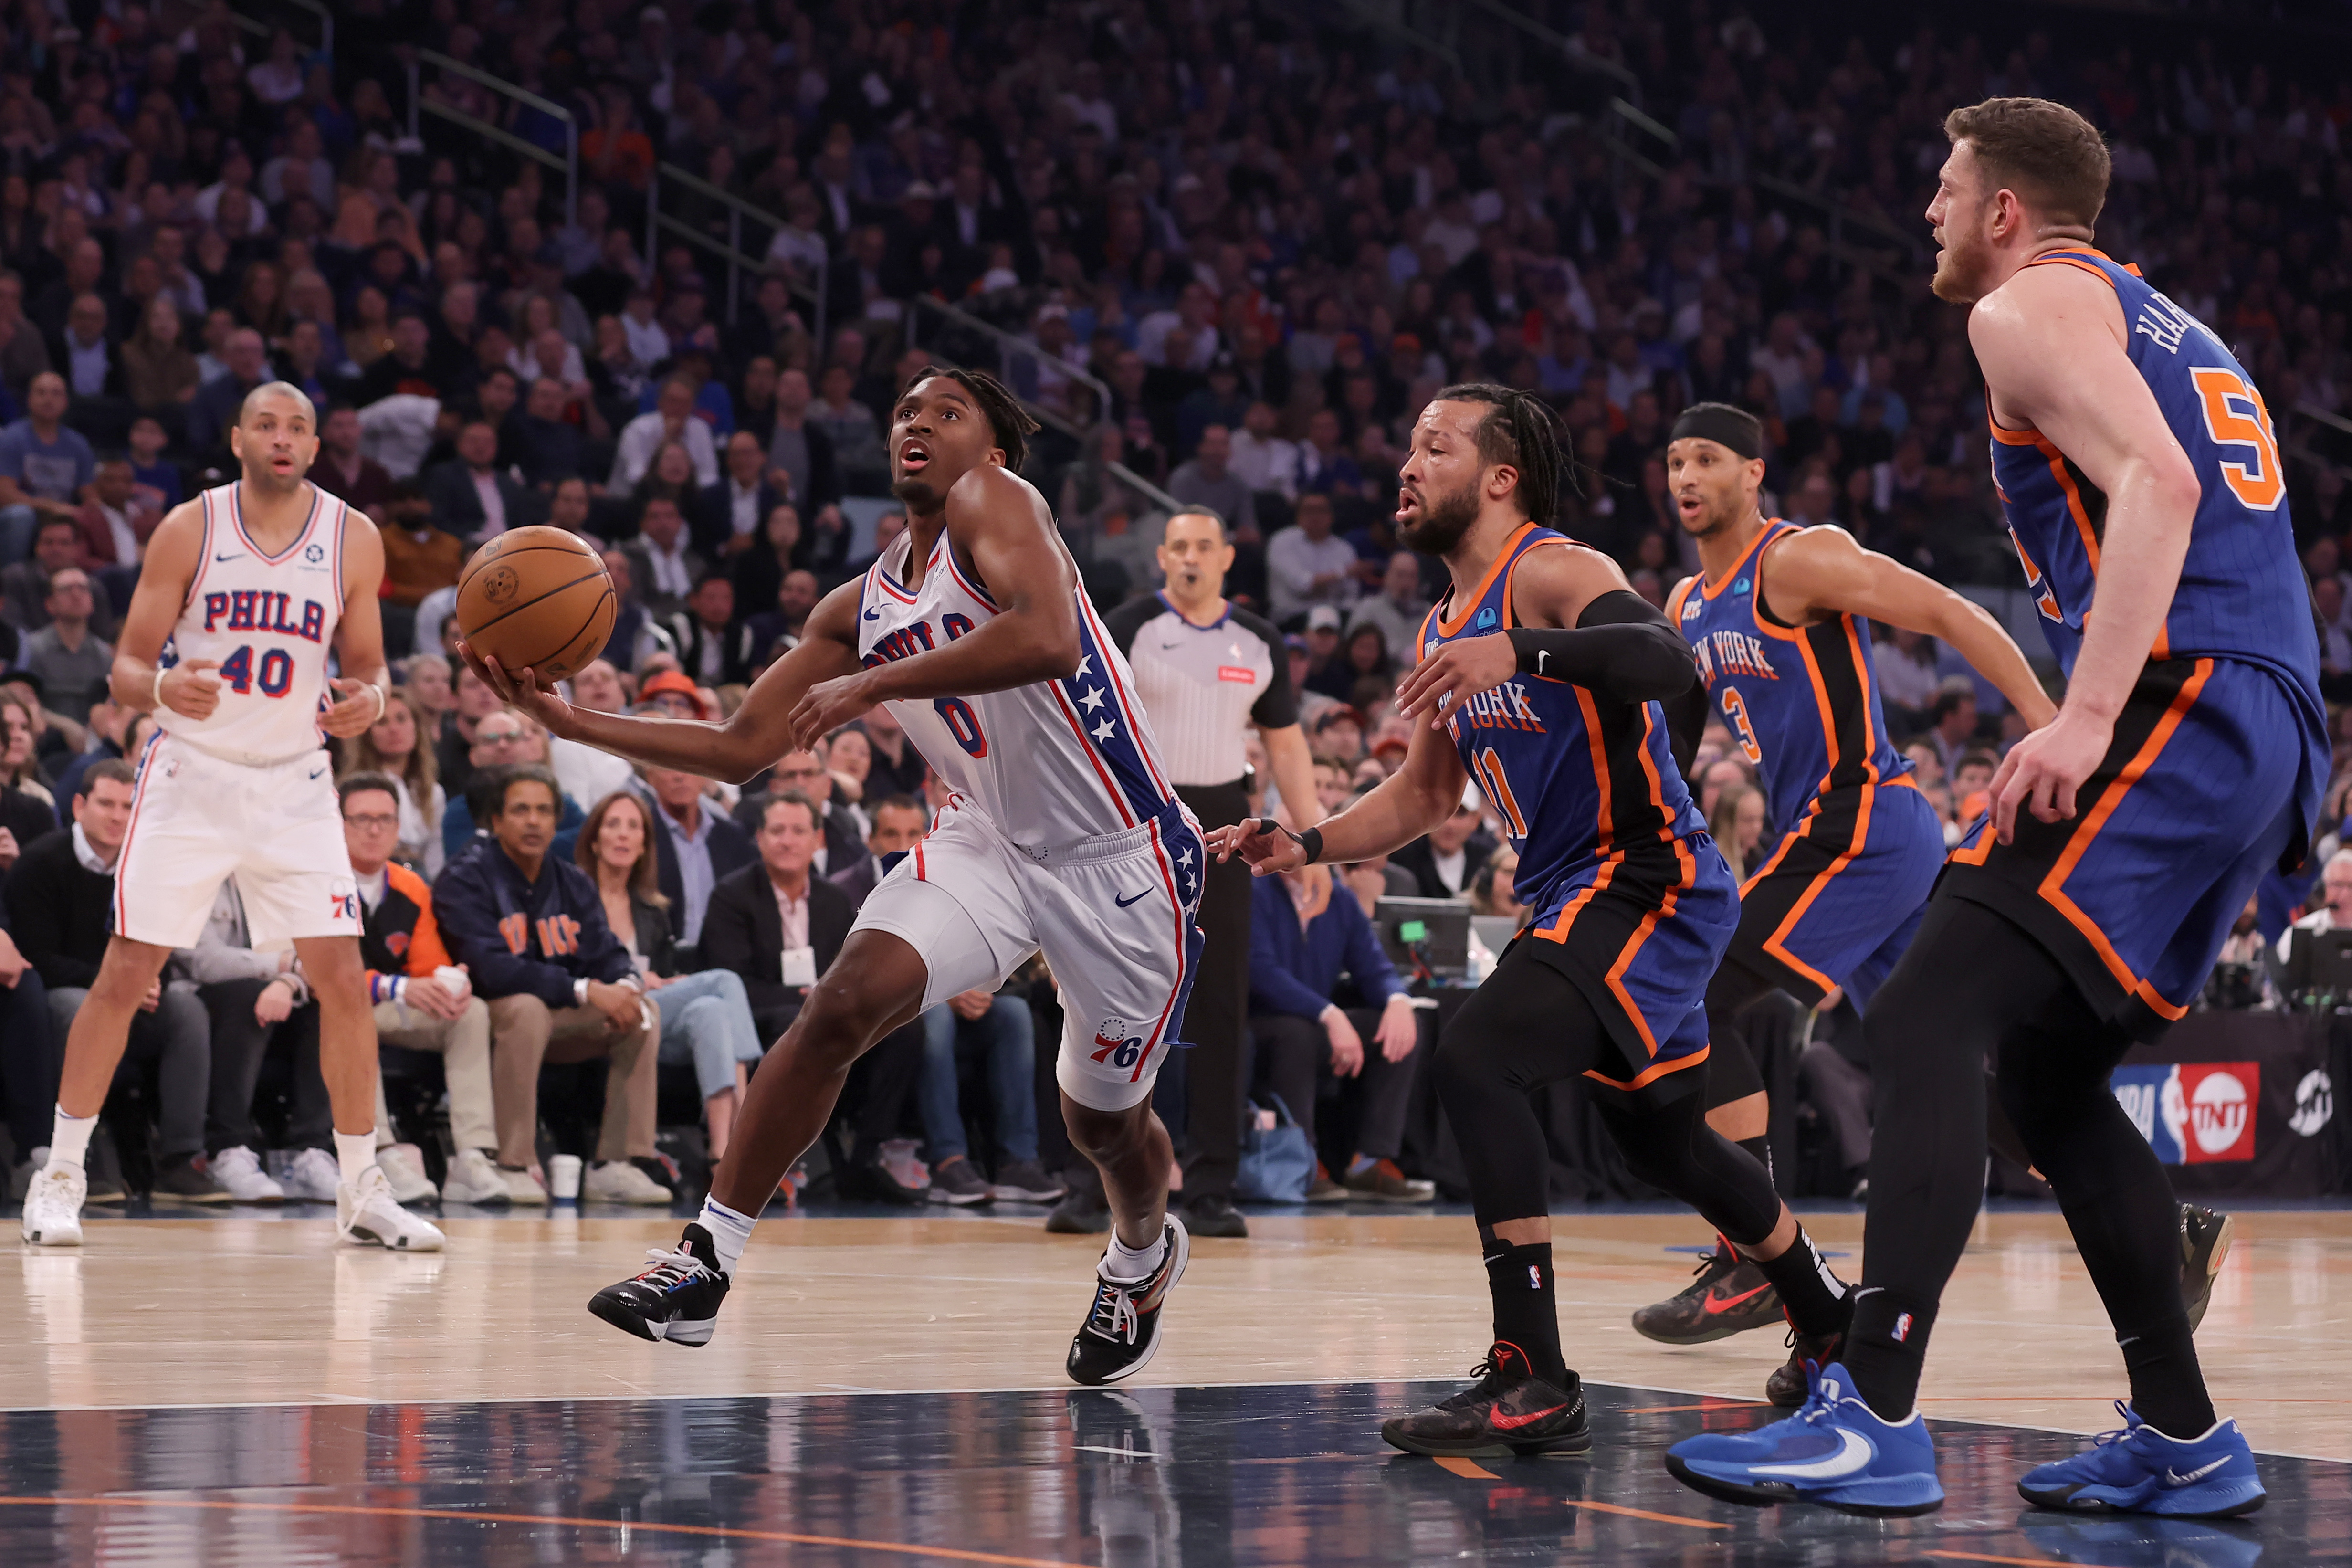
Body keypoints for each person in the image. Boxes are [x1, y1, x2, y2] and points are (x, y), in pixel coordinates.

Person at [1664, 96, 2320, 1522]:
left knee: (1921, 1015)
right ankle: (2184, 1437)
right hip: (2263, 718)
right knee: (2045, 1074)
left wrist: (2081, 716)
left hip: (2180, 695)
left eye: (1946, 190)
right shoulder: (2159, 319)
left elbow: (2155, 481)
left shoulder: (2021, 307)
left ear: (2007, 210)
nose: (1929, 215)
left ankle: (1871, 1410)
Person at [471, 366, 1207, 1385]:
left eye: (947, 412)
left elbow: (1044, 636)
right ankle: (705, 1260)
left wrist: (875, 680)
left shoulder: (1000, 503)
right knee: (840, 1005)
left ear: (989, 451)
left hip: (1119, 856)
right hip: (987, 841)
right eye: (905, 410)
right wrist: (569, 721)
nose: (918, 423)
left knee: (1102, 1121)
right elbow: (737, 748)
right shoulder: (858, 604)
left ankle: (1139, 1256)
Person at [1211, 385, 1851, 1458]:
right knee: (1664, 1140)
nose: (1406, 464)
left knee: (1476, 1054)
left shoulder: (1552, 572)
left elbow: (1662, 661)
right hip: (1576, 893)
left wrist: (1525, 651)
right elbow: (1424, 799)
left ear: (1498, 477)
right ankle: (1831, 1315)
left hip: (1646, 877)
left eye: (1434, 446)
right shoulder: (1439, 624)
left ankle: (1533, 1370)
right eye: (1407, 444)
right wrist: (1308, 840)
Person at [1638, 399, 2058, 1375]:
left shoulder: (1797, 559)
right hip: (1840, 845)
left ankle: (1750, 1251)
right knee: (1947, 1058)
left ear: (1752, 471)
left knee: (1695, 994)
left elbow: (1950, 610)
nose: (1686, 477)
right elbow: (1667, 743)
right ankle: (2159, 1232)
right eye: (1672, 461)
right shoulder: (1686, 606)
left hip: (1863, 822)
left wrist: (2044, 718)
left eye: (1706, 458)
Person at [19, 383, 441, 1252]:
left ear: (316, 447)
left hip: (293, 781)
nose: (282, 440)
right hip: (193, 777)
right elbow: (127, 669)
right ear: (240, 439)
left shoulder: (352, 537)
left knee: (341, 979)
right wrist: (165, 686)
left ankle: (362, 1188)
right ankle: (58, 1174)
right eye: (266, 426)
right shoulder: (190, 527)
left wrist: (367, 701)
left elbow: (369, 670)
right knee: (127, 973)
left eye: (298, 428)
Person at [1091, 506, 1323, 1239]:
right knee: (1108, 993)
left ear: (1227, 557)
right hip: (1136, 817)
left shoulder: (1258, 641)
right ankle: (1087, 1178)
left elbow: (1286, 748)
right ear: (1162, 557)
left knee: (1222, 1000)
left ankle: (1214, 1181)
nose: (1190, 557)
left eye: (1204, 546)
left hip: (1226, 819)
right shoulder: (1126, 624)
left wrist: (1315, 841)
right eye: (1179, 546)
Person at [432, 764, 670, 1204]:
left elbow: (608, 949)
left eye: (544, 811)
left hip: (557, 1014)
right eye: (521, 810)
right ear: (497, 820)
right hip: (485, 1016)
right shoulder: (465, 877)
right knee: (526, 1008)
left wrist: (625, 984)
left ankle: (616, 1164)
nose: (534, 821)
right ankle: (515, 1162)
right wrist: (584, 989)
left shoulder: (570, 880)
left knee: (641, 1013)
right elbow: (490, 968)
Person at [699, 790, 925, 1201]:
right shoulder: (731, 897)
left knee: (905, 1029)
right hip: (763, 1016)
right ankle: (817, 1160)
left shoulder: (835, 900)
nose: (788, 841)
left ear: (818, 841)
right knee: (795, 1018)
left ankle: (866, 1158)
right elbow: (730, 983)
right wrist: (806, 997)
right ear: (760, 838)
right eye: (778, 831)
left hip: (827, 1013)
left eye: (799, 831)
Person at [7, 761, 211, 1204]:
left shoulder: (148, 868)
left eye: (128, 806)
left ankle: (181, 1157)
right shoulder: (40, 862)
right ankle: (80, 1154)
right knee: (75, 1005)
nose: (118, 816)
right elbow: (36, 957)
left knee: (186, 1010)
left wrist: (151, 981)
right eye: (106, 804)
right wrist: (118, 983)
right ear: (79, 806)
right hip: (63, 995)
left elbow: (170, 944)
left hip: (134, 994)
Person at [336, 772, 514, 1204]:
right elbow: (321, 974)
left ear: (399, 827)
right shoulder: (321, 883)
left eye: (385, 819)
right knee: (349, 1015)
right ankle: (380, 1153)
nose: (375, 829)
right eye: (361, 819)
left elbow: (429, 966)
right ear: (337, 825)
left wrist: (447, 985)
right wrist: (396, 985)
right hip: (339, 1010)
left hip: (388, 1008)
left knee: (470, 1011)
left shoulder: (411, 886)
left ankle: (472, 1156)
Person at [579, 789, 765, 1161]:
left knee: (710, 1010)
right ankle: (749, 1112)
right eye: (613, 824)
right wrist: (634, 980)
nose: (622, 834)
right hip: (597, 1009)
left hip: (649, 1021)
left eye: (633, 827)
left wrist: (666, 982)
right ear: (595, 840)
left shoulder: (653, 910)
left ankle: (722, 1154)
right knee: (724, 981)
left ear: (644, 843)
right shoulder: (576, 897)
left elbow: (661, 975)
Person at [1246, 860, 1432, 1202]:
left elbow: (1375, 967)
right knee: (1295, 1033)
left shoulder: (1340, 900)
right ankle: (1302, 1160)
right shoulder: (1255, 892)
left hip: (1316, 1023)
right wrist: (1329, 1013)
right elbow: (1261, 973)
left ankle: (1371, 1162)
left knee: (1402, 1025)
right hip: (1260, 1023)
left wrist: (1397, 1000)